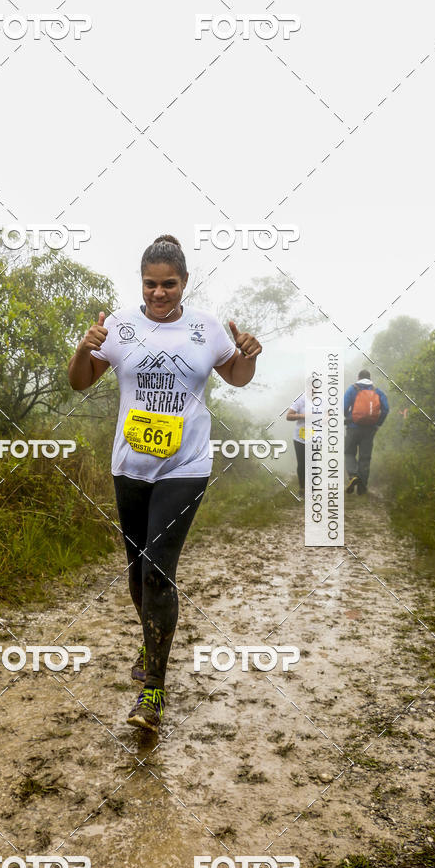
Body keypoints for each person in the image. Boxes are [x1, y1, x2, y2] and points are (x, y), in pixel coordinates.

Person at [67, 235, 262, 732]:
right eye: (151, 284)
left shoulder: (206, 328)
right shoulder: (118, 325)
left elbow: (236, 377)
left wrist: (249, 354)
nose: (159, 293)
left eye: (168, 284)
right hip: (130, 466)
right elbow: (80, 381)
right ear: (142, 283)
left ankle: (152, 689)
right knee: (136, 570)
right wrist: (82, 349)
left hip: (187, 465)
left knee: (157, 568)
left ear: (184, 282)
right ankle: (151, 636)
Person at [344, 369, 389, 495]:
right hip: (369, 429)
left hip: (353, 427)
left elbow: (343, 407)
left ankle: (353, 475)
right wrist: (378, 423)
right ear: (370, 378)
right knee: (365, 457)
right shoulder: (377, 391)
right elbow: (386, 409)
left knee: (349, 452)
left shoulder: (352, 389)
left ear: (358, 377)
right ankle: (362, 488)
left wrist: (349, 418)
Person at [286, 393, 307, 492]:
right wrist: (303, 416)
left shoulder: (323, 399)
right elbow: (289, 416)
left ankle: (312, 489)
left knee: (314, 463)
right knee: (302, 462)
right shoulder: (301, 399)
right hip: (300, 436)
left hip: (316, 436)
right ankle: (302, 489)